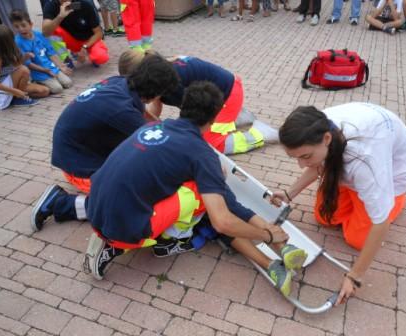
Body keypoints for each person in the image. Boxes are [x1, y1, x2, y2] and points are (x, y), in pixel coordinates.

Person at [32, 82, 308, 297]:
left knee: (208, 190)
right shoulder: (201, 155)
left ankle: (275, 259)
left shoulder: (158, 126)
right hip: (121, 230)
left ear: (182, 106)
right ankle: (160, 240)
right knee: (209, 199)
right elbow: (223, 221)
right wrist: (266, 234)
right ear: (213, 119)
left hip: (96, 205)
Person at [272, 102, 406, 306]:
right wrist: (289, 193)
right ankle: (354, 194)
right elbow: (319, 163)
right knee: (324, 217)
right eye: (295, 158)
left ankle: (396, 200)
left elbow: (381, 222)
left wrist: (355, 276)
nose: (301, 165)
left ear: (327, 139)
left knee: (358, 239)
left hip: (388, 173)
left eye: (305, 157)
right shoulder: (317, 128)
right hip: (353, 169)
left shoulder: (365, 160)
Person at [51, 54, 179, 194]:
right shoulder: (122, 110)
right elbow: (158, 146)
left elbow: (148, 120)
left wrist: (170, 133)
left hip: (78, 150)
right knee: (136, 194)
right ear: (156, 91)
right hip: (77, 169)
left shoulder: (122, 82)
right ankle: (62, 203)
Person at [126, 52, 279, 155]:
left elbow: (192, 117)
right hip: (221, 92)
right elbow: (156, 106)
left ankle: (262, 134)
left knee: (212, 144)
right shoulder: (161, 72)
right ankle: (237, 116)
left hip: (228, 95)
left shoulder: (173, 83)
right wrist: (149, 125)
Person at [10, 10, 73, 95]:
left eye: (23, 25)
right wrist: (46, 70)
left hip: (51, 67)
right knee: (57, 89)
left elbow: (50, 52)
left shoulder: (39, 34)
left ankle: (51, 80)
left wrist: (60, 66)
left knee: (68, 83)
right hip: (39, 72)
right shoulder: (18, 42)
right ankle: (36, 82)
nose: (21, 29)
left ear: (31, 24)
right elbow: (28, 64)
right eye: (17, 27)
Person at [42, 0, 109, 66]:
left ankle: (90, 55)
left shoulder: (83, 4)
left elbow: (99, 33)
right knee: (52, 29)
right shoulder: (51, 5)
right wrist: (60, 17)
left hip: (88, 40)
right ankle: (65, 58)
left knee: (101, 57)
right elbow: (45, 32)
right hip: (71, 39)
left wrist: (84, 47)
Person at [0, 24, 49, 109]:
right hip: (2, 90)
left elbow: (15, 65)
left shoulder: (9, 51)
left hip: (12, 82)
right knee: (24, 70)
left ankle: (15, 97)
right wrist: (15, 91)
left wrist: (25, 57)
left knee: (44, 91)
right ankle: (18, 98)